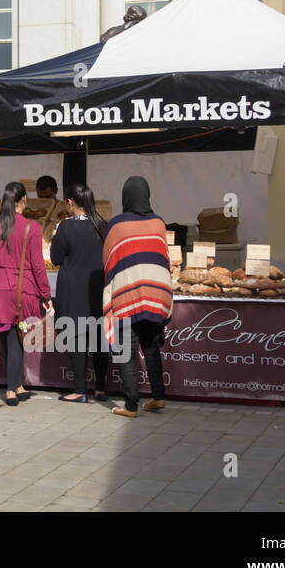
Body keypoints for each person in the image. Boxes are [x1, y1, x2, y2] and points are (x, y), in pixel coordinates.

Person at [102, 176, 173, 419]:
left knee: (127, 351)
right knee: (151, 348)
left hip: (127, 293)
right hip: (155, 292)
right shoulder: (159, 223)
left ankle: (131, 406)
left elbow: (109, 258)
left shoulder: (117, 224)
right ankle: (158, 397)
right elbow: (163, 257)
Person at [0, 181, 51, 407]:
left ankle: (16, 384)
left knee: (7, 340)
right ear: (24, 201)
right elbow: (38, 266)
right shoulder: (32, 228)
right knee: (16, 342)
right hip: (20, 291)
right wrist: (46, 295)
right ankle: (11, 390)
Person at [50, 184, 110, 403]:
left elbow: (56, 258)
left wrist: (56, 236)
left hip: (73, 289)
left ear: (71, 202)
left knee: (76, 339)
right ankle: (101, 389)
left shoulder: (65, 227)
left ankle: (80, 390)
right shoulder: (102, 225)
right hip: (98, 287)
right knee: (98, 338)